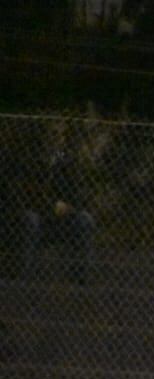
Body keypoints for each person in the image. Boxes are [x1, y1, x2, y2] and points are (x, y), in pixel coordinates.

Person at [21, 118, 95, 287]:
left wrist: (69, 206)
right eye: (52, 133)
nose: (55, 138)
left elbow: (79, 192)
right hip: (40, 215)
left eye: (59, 134)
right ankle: (26, 279)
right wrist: (50, 206)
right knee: (30, 219)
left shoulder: (68, 162)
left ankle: (80, 279)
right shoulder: (32, 159)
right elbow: (26, 193)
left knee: (85, 220)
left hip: (63, 216)